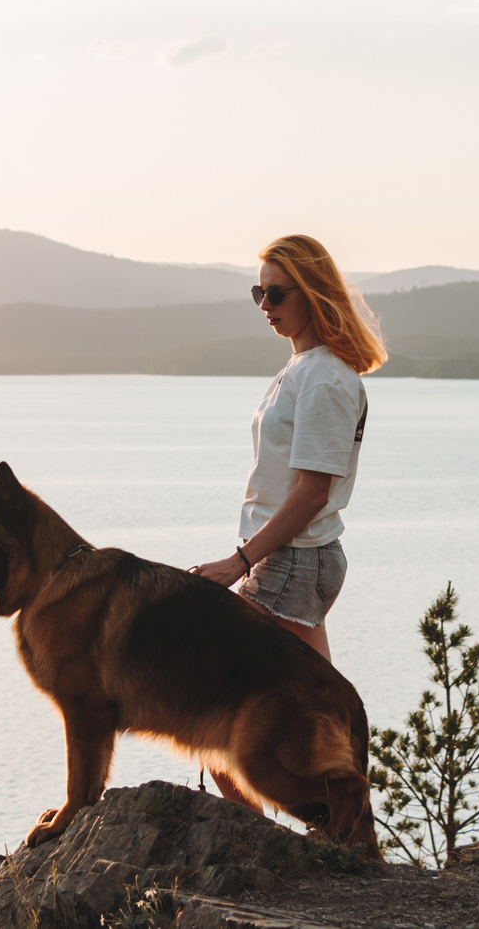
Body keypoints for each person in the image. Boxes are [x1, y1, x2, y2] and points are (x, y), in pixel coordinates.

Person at [188, 233, 381, 665]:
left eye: (275, 293)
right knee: (314, 707)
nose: (264, 306)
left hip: (294, 561)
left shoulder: (325, 379)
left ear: (312, 293)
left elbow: (314, 492)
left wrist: (237, 563)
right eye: (259, 293)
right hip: (293, 558)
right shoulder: (305, 368)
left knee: (226, 682)